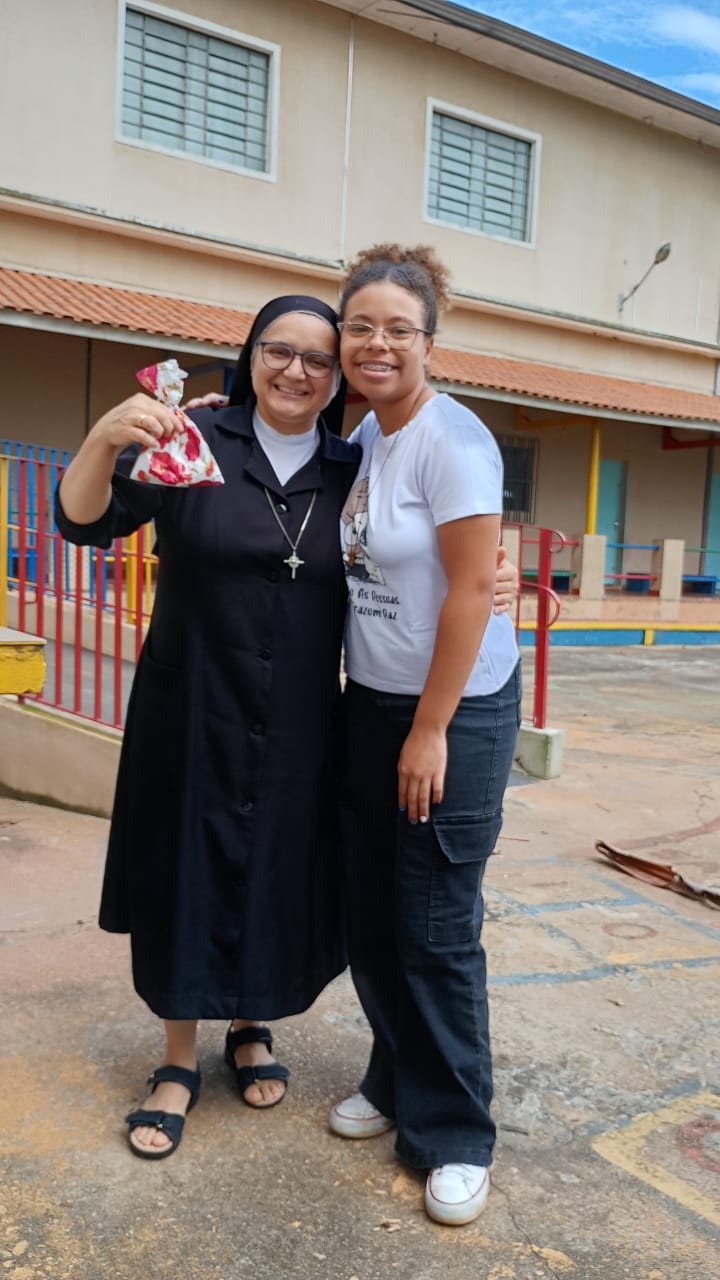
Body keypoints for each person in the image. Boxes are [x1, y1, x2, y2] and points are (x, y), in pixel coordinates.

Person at [55, 289, 520, 1162]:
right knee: (186, 873)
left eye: (316, 357)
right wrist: (105, 437)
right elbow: (83, 521)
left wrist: (502, 576)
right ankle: (177, 1059)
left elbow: (436, 546)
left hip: (304, 717)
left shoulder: (354, 460)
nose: (296, 370)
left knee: (275, 871)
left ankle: (251, 1024)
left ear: (336, 375)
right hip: (192, 707)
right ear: (250, 356)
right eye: (278, 350)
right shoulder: (195, 438)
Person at [327, 245, 521, 1228]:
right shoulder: (367, 432)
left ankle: (454, 1134)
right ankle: (396, 1075)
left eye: (398, 328)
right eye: (361, 326)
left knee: (436, 925)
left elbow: (475, 589)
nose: (378, 343)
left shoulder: (455, 440)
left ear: (430, 342)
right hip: (372, 703)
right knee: (371, 912)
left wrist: (432, 727)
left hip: (453, 712)